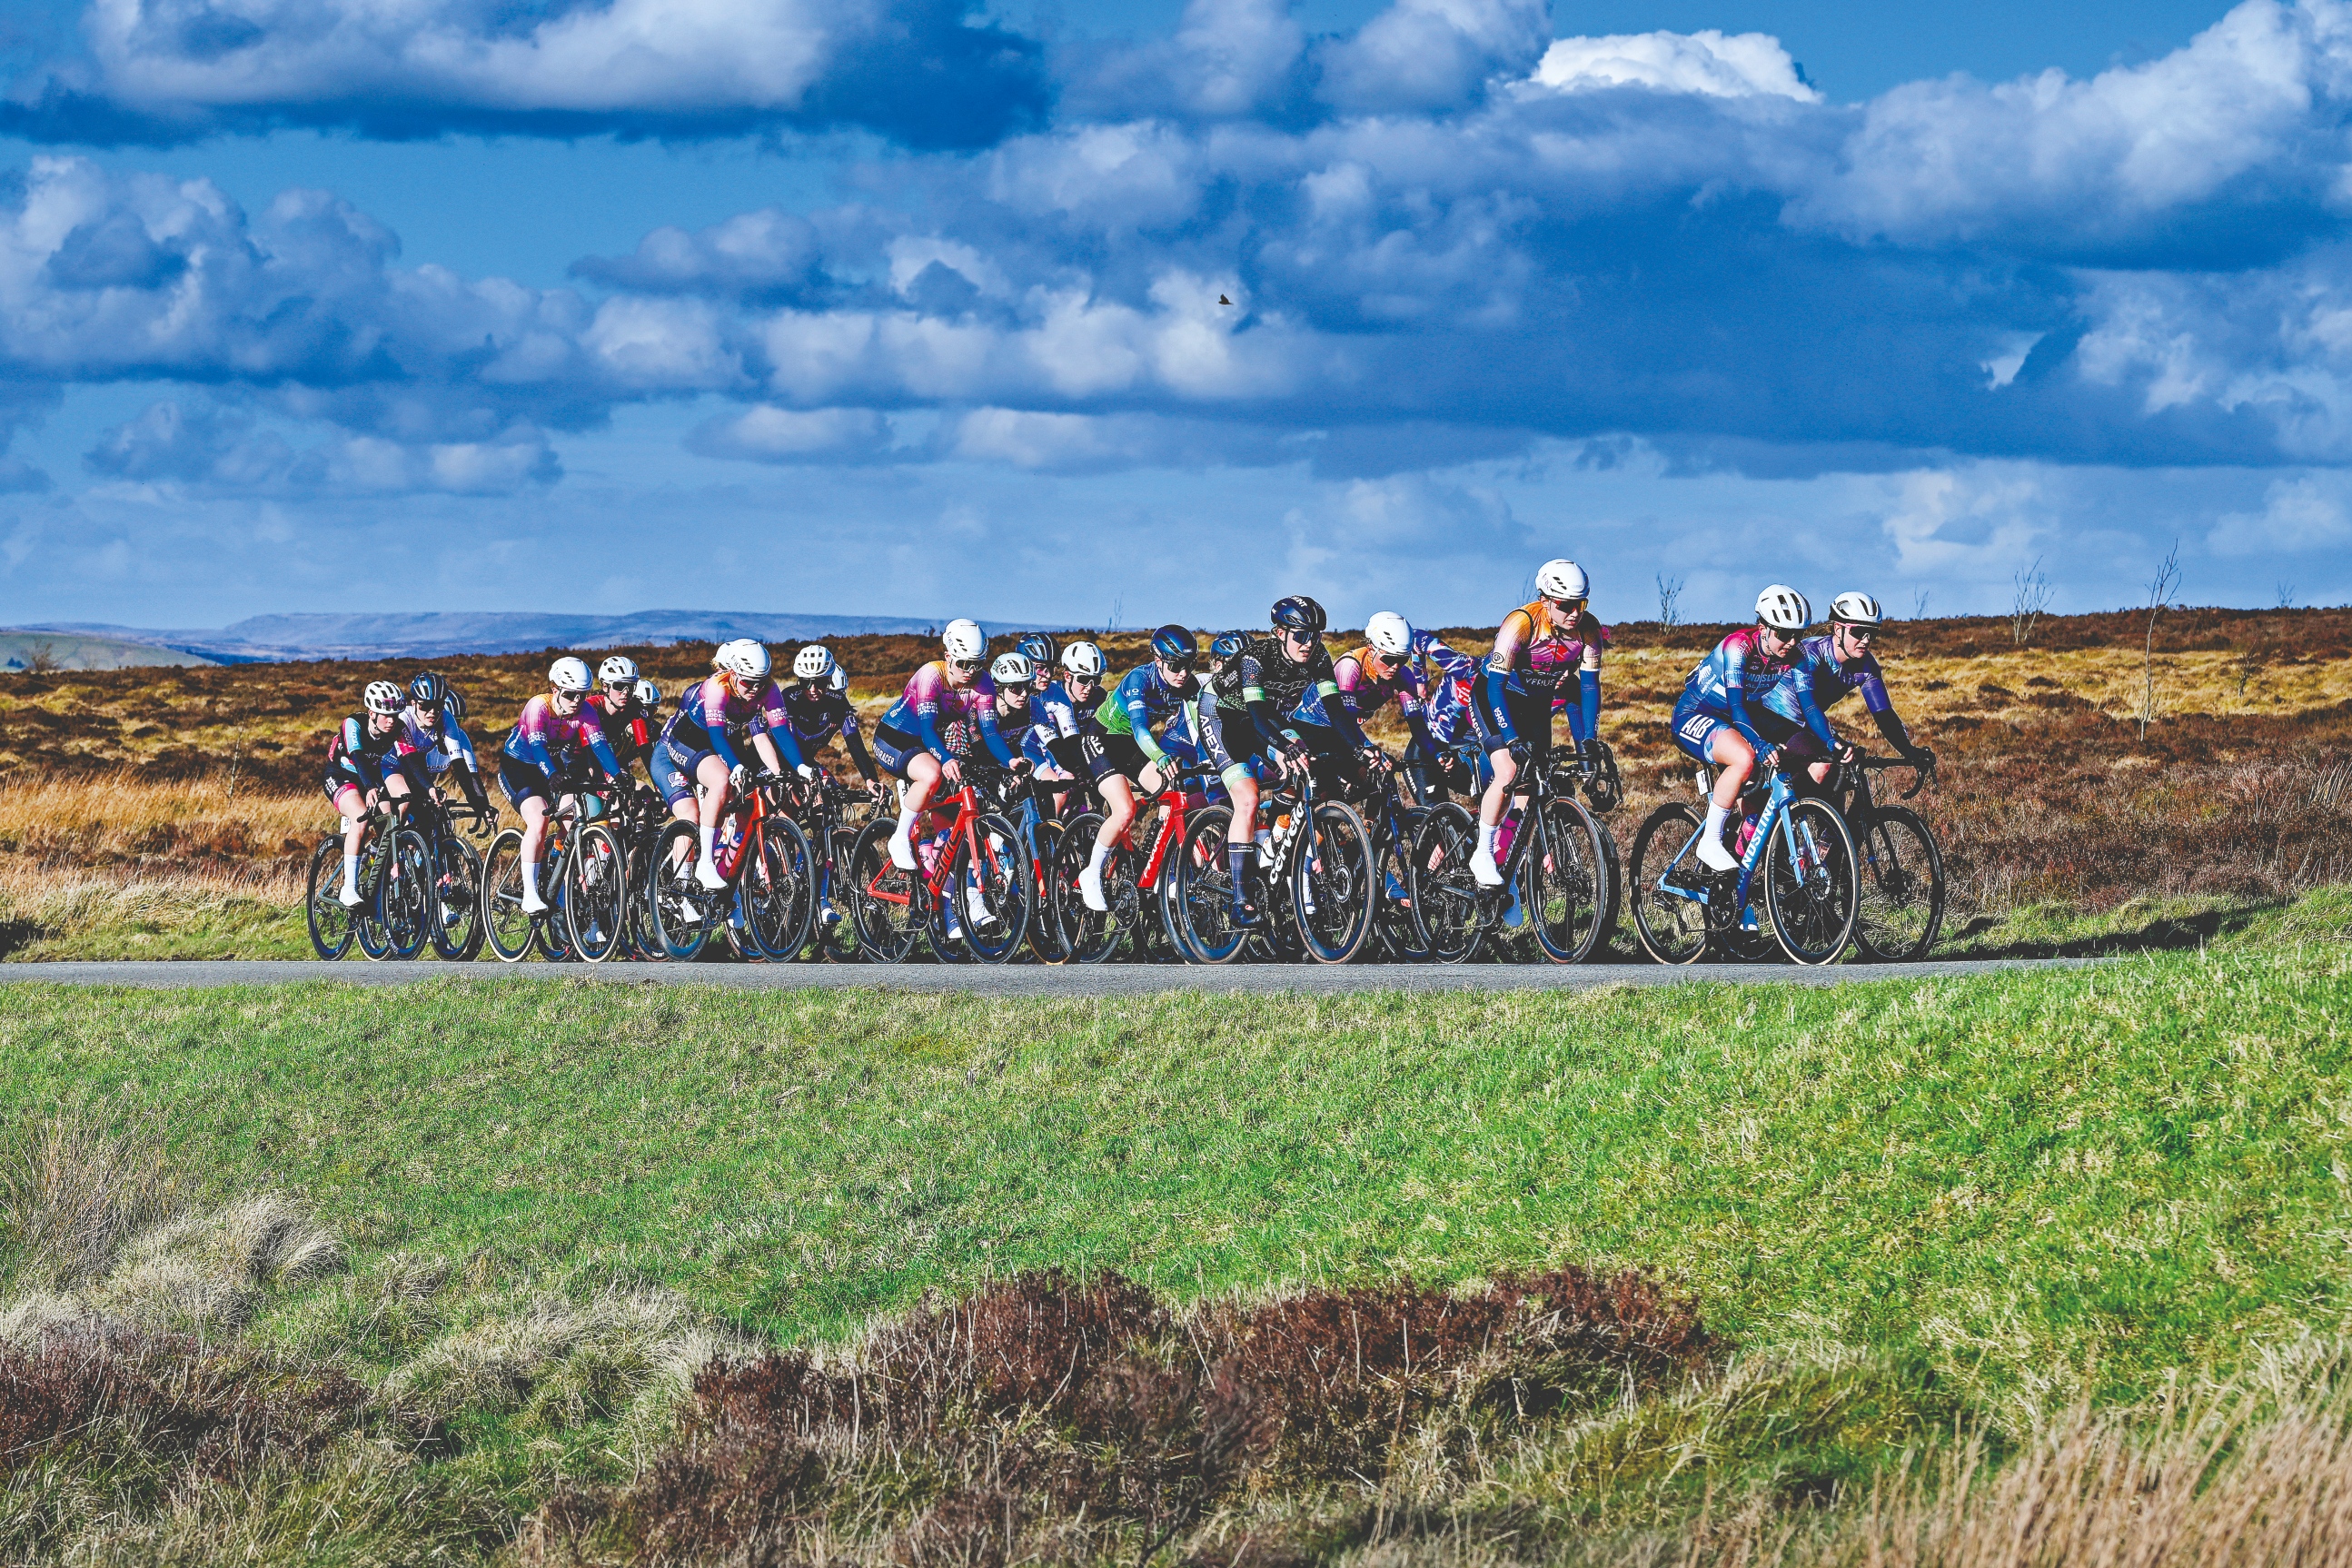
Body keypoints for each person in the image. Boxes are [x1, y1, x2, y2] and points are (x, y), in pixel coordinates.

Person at [1469, 561, 1607, 888]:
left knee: (1532, 789)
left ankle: (1507, 875)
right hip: (1496, 697)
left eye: (1581, 604)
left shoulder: (1589, 630)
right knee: (1508, 772)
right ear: (1545, 600)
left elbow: (1588, 686)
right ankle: (1483, 853)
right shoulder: (1521, 623)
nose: (1575, 613)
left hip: (1535, 704)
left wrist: (1588, 740)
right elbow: (1495, 687)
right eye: (1566, 605)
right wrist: (1512, 738)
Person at [1669, 584, 1813, 872]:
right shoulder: (1739, 647)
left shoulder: (1795, 656)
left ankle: (1748, 829)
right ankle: (1710, 840)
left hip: (1745, 714)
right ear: (1764, 627)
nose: (1792, 642)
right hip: (1699, 711)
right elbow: (1736, 707)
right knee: (1745, 758)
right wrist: (1759, 745)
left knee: (1808, 749)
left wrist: (1832, 745)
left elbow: (1809, 709)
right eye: (1785, 634)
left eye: (1799, 635)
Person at [652, 640, 804, 892]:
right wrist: (735, 767)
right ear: (731, 674)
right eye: (748, 682)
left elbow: (778, 732)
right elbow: (718, 737)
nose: (755, 689)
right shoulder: (716, 687)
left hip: (716, 747)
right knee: (721, 781)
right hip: (688, 743)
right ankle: (702, 867)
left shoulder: (766, 689)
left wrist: (798, 768)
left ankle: (728, 879)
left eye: (762, 682)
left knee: (746, 800)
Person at [872, 620, 1018, 871]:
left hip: (927, 743)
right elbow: (927, 730)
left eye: (977, 664)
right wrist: (946, 758)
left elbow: (991, 734)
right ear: (948, 657)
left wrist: (1010, 761)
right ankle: (899, 837)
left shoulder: (983, 685)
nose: (970, 671)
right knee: (932, 774)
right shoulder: (931, 675)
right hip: (895, 737)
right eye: (963, 663)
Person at [1080, 624, 1204, 912]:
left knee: (1174, 791)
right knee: (1125, 810)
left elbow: (1200, 727)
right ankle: (1092, 872)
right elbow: (1139, 729)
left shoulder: (1189, 685)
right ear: (1158, 661)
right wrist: (1161, 757)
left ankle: (1158, 864)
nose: (1183, 672)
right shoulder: (1140, 679)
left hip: (1132, 747)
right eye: (1175, 665)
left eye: (1188, 664)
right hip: (1102, 739)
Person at [1752, 591, 1935, 786]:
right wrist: (1832, 742)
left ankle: (1833, 817)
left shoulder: (1866, 666)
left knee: (1847, 769)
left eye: (1871, 633)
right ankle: (1789, 813)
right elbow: (1810, 707)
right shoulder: (1810, 654)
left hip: (1807, 723)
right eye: (1858, 632)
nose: (1865, 640)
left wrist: (1908, 750)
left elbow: (1883, 714)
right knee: (1823, 764)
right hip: (1772, 719)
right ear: (1838, 629)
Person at [499, 658, 627, 914]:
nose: (577, 701)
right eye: (570, 695)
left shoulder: (586, 712)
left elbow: (599, 746)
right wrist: (552, 774)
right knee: (539, 819)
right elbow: (537, 747)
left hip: (553, 767)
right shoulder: (538, 706)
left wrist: (618, 775)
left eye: (583, 695)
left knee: (576, 825)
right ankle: (530, 893)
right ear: (555, 689)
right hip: (520, 767)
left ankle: (560, 886)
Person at [1335, 611, 1475, 803]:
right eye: (1388, 659)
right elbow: (1346, 720)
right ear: (1370, 648)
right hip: (1319, 729)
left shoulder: (1402, 676)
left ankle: (1367, 831)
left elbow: (1416, 723)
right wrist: (1368, 748)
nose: (1395, 666)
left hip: (1346, 731)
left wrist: (1436, 753)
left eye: (1401, 660)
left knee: (1384, 785)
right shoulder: (1350, 667)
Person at [1195, 629, 1279, 926]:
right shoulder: (1207, 690)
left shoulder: (1255, 683)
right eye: (1228, 663)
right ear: (1216, 664)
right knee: (1243, 803)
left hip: (1244, 739)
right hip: (1213, 752)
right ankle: (1233, 896)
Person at [320, 679, 409, 908]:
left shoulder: (398, 728)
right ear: (371, 713)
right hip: (341, 775)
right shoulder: (352, 724)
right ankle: (348, 889)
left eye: (396, 715)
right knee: (361, 818)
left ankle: (379, 871)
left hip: (370, 778)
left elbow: (411, 760)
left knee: (391, 822)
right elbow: (358, 757)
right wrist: (370, 787)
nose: (392, 720)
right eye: (385, 715)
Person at [775, 644, 884, 798]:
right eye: (806, 682)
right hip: (776, 760)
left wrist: (870, 779)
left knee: (830, 792)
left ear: (829, 681)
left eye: (819, 683)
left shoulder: (838, 702)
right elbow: (787, 737)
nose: (813, 689)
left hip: (805, 762)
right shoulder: (790, 698)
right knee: (792, 803)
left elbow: (855, 743)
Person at [392, 670, 492, 819]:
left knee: (429, 818)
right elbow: (409, 762)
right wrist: (429, 788)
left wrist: (479, 805)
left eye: (438, 706)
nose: (432, 712)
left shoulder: (447, 719)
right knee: (407, 809)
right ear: (413, 704)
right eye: (425, 706)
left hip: (417, 768)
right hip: (394, 765)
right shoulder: (403, 718)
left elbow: (460, 766)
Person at [585, 655, 661, 788]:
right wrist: (605, 779)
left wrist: (659, 787)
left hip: (611, 763)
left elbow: (645, 750)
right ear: (605, 686)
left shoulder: (634, 708)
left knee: (640, 794)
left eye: (631, 687)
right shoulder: (591, 707)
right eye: (620, 686)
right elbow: (591, 749)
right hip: (582, 762)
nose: (626, 692)